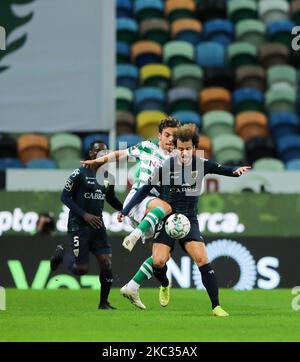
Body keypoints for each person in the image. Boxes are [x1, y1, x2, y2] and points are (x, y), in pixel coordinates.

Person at [120, 124, 251, 316]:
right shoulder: (166, 166)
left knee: (202, 259)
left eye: (187, 149)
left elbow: (223, 169)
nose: (183, 153)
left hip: (189, 220)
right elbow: (144, 189)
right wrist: (126, 209)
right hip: (167, 220)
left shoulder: (201, 164)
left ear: (194, 147)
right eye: (180, 149)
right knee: (158, 262)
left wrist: (236, 170)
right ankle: (164, 284)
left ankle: (216, 306)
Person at [80, 117, 180, 309]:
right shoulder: (146, 148)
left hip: (153, 215)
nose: (170, 139)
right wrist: (97, 160)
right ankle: (134, 236)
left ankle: (133, 287)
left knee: (161, 259)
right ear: (159, 135)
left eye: (174, 136)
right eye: (167, 135)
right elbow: (119, 154)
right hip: (139, 201)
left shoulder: (177, 158)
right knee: (165, 207)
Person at [50, 140, 123, 310]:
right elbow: (64, 197)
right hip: (78, 226)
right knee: (81, 269)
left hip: (98, 226)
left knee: (106, 262)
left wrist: (126, 209)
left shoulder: (108, 177)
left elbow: (111, 199)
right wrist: (84, 215)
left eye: (105, 152)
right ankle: (62, 256)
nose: (102, 154)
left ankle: (103, 303)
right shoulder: (79, 174)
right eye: (98, 151)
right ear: (91, 154)